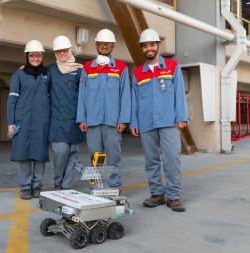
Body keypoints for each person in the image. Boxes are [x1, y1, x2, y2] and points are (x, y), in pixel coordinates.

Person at [130, 28, 188, 212]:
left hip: (169, 121)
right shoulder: (138, 73)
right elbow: (134, 100)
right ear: (142, 48)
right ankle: (157, 194)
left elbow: (180, 93)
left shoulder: (172, 66)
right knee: (151, 160)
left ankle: (173, 196)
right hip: (146, 122)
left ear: (157, 45)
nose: (149, 48)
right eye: (145, 45)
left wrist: (181, 116)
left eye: (152, 44)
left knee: (172, 158)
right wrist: (134, 122)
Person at [76, 28, 131, 190]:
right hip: (92, 121)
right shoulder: (87, 68)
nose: (104, 46)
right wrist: (82, 118)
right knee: (95, 156)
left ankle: (114, 186)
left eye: (108, 44)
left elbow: (125, 96)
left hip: (113, 122)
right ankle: (96, 187)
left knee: (114, 156)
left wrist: (123, 119)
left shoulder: (121, 68)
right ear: (96, 45)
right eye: (101, 43)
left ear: (113, 46)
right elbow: (82, 95)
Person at [7, 40, 50, 200]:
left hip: (41, 120)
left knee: (40, 154)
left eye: (38, 55)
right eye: (32, 55)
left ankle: (37, 186)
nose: (35, 58)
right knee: (23, 154)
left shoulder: (47, 74)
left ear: (42, 56)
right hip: (22, 120)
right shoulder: (19, 75)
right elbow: (11, 100)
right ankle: (25, 187)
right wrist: (10, 123)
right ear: (27, 56)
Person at [48, 35, 83, 190]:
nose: (62, 54)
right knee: (60, 152)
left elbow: (85, 95)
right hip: (57, 120)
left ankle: (67, 185)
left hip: (75, 120)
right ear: (55, 53)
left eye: (64, 50)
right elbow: (39, 83)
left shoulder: (80, 70)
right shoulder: (51, 70)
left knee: (73, 154)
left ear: (70, 50)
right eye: (59, 51)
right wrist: (26, 71)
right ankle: (58, 182)